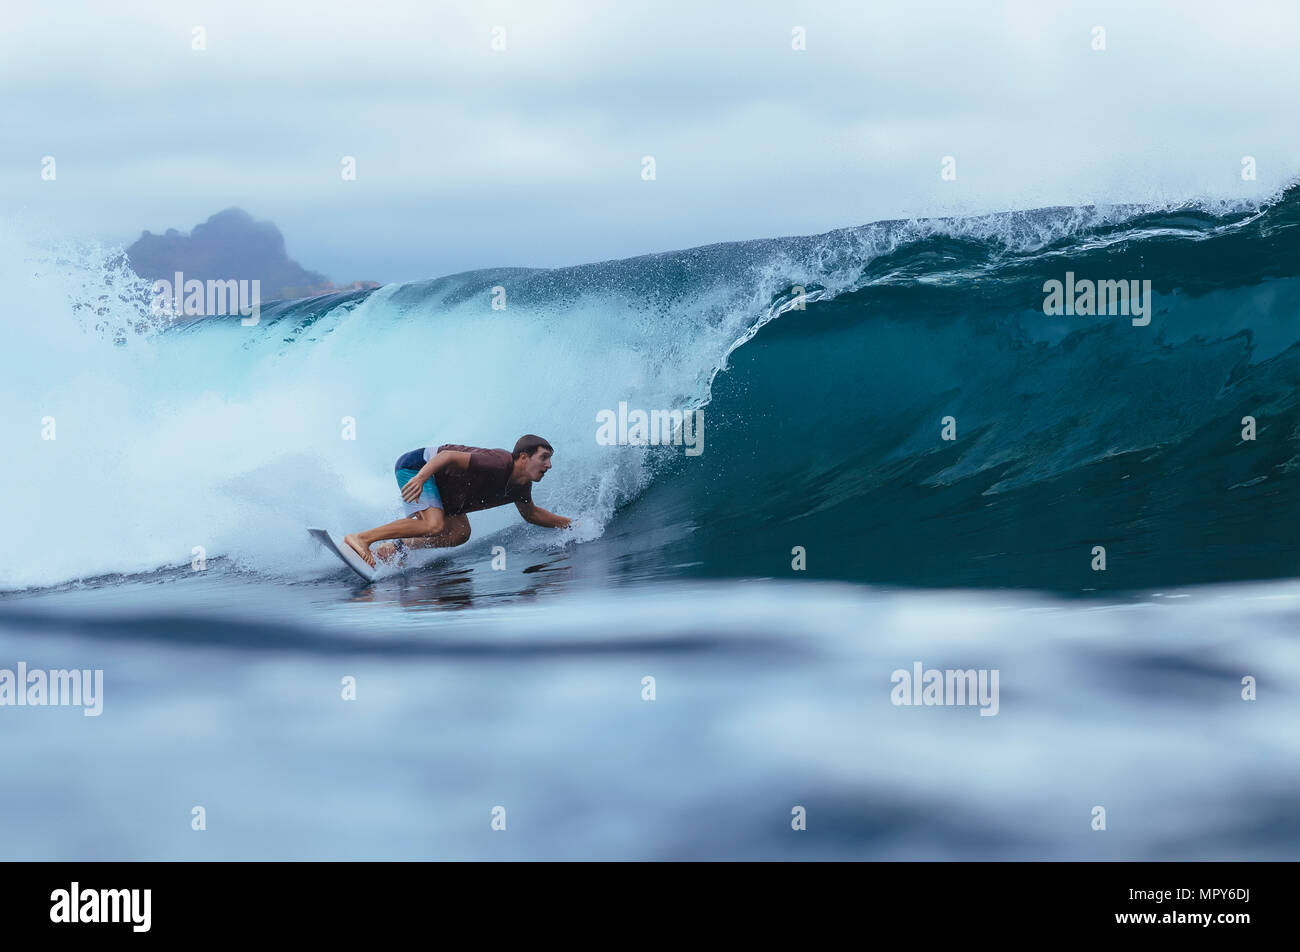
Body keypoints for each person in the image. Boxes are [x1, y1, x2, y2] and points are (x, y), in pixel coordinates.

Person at [343, 434, 572, 568]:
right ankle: (362, 538)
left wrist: (571, 525)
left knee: (459, 533)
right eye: (544, 458)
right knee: (433, 525)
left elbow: (532, 514)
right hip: (418, 467)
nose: (548, 465)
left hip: (446, 491)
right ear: (523, 457)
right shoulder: (498, 463)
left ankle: (395, 549)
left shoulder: (520, 486)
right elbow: (447, 456)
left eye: (549, 459)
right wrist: (421, 478)